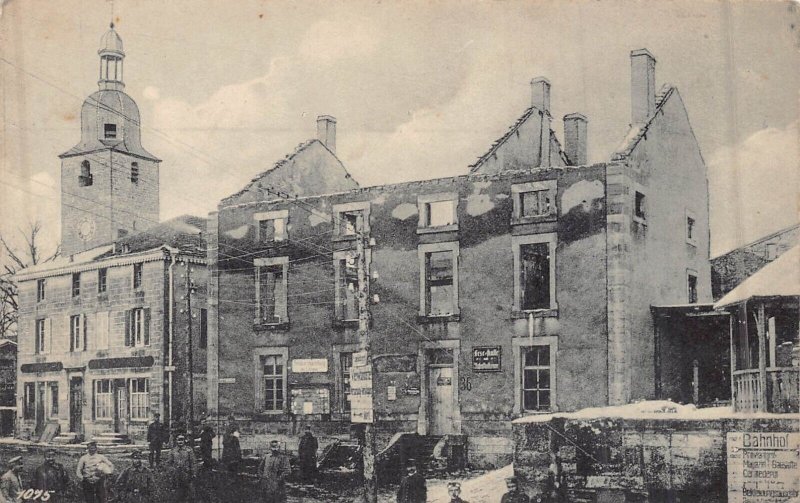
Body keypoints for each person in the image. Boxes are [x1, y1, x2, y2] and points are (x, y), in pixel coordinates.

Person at [167, 435, 197, 503]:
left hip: (187, 474)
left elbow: (193, 462)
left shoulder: (189, 450)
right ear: (176, 441)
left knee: (190, 493)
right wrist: (172, 471)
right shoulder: (173, 451)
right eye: (178, 440)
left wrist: (194, 473)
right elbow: (169, 463)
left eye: (182, 440)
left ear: (184, 441)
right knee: (178, 494)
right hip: (176, 475)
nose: (180, 441)